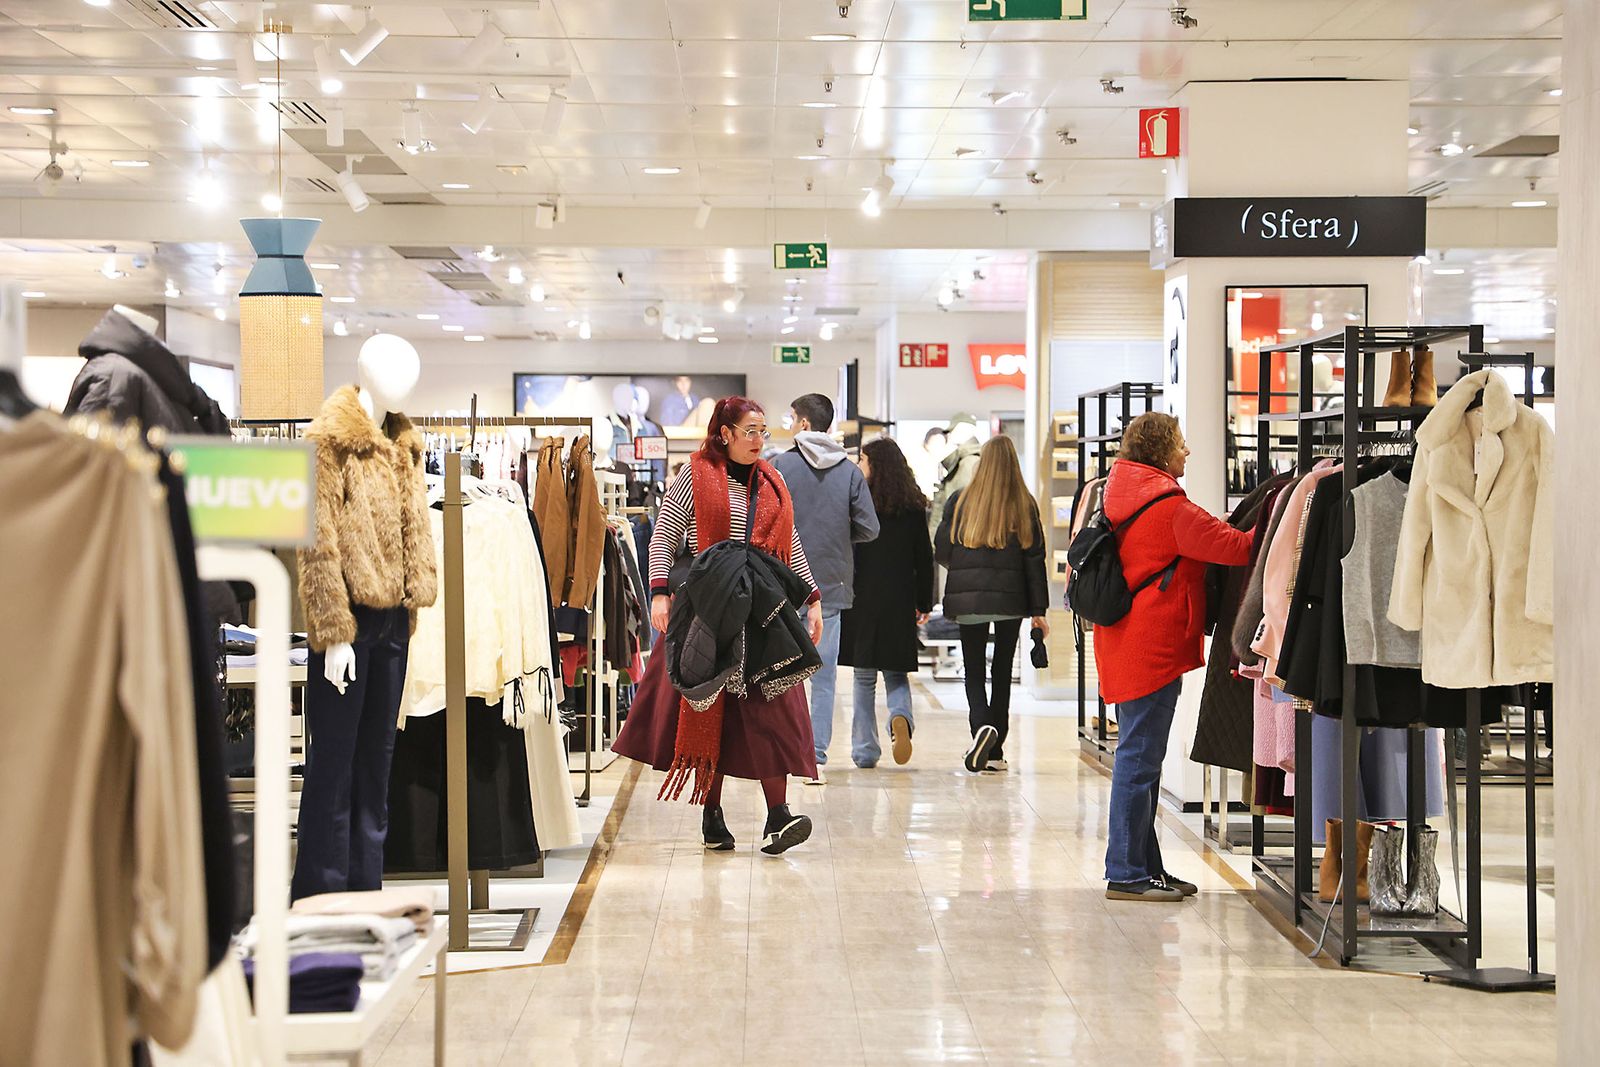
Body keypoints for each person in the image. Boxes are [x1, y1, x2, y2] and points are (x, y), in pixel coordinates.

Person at [613, 397, 825, 856]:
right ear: (725, 433)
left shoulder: (772, 480)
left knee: (774, 710)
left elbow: (790, 543)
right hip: (708, 609)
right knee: (710, 707)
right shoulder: (694, 476)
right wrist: (660, 592)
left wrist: (812, 599)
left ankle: (778, 815)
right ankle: (712, 813)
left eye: (763, 431)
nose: (758, 440)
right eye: (750, 431)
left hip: (764, 611)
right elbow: (665, 536)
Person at [1093, 412, 1252, 901]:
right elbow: (1237, 548)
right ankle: (1126, 873)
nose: (1188, 451)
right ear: (1161, 452)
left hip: (1125, 640)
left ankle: (1147, 867)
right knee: (1139, 761)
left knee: (1141, 759)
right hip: (1153, 647)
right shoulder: (1169, 507)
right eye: (1181, 443)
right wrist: (1277, 516)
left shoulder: (1120, 495)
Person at [771, 392, 880, 782]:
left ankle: (784, 747)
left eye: (791, 418)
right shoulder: (849, 471)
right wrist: (839, 534)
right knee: (824, 672)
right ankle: (814, 753)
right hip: (831, 582)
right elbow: (870, 527)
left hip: (782, 583)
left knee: (780, 671)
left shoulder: (779, 466)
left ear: (803, 423)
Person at [934, 434, 1049, 774]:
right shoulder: (1024, 504)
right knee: (1001, 671)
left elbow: (942, 549)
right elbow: (1035, 561)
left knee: (973, 668)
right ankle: (995, 751)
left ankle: (981, 727)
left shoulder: (960, 501)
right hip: (1011, 601)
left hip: (969, 600)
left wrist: (964, 569)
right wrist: (1039, 612)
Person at [839, 437, 934, 766]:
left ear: (875, 465)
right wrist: (924, 602)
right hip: (899, 599)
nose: (859, 465)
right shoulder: (913, 507)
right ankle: (900, 716)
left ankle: (865, 750)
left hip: (862, 598)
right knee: (896, 673)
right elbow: (924, 559)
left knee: (864, 678)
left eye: (863, 459)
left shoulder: (858, 504)